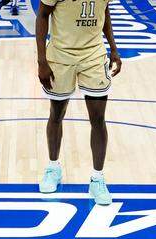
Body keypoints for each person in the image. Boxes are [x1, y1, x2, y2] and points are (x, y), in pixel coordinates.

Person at [35, 0, 123, 205]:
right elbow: (42, 16)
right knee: (57, 113)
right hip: (60, 55)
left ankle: (97, 179)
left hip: (93, 55)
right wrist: (41, 60)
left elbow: (104, 11)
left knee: (98, 119)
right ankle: (53, 168)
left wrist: (114, 48)